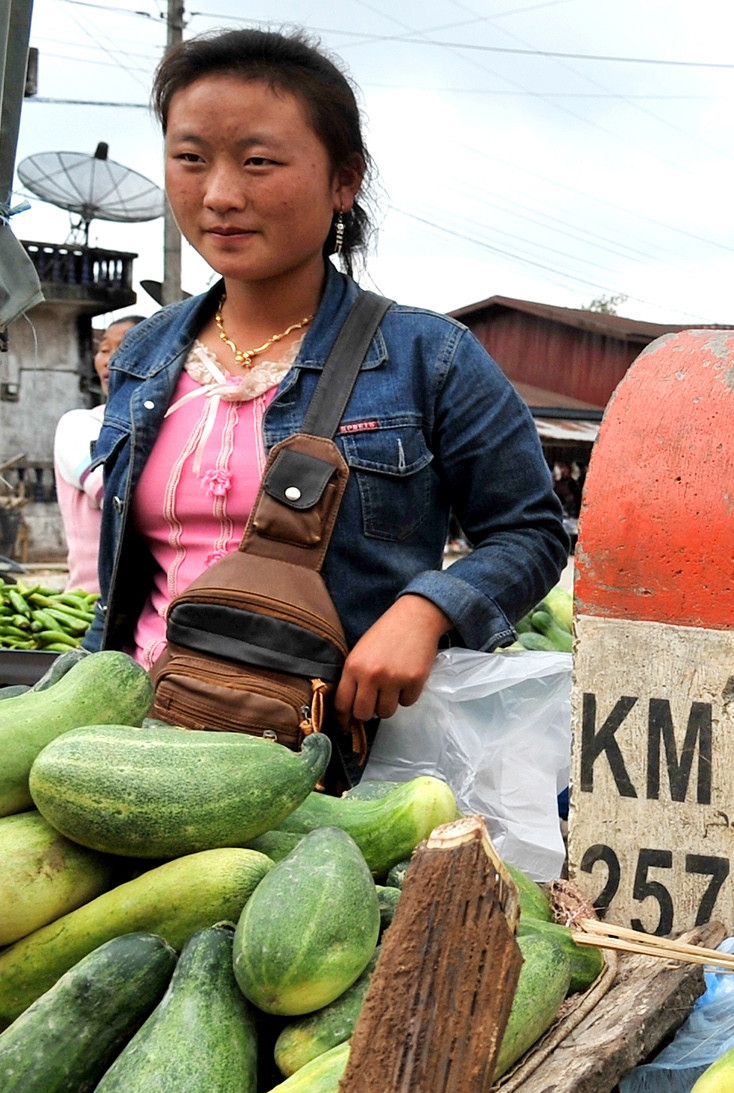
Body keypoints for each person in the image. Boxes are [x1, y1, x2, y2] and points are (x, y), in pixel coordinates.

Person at [84, 28, 567, 733]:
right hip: (140, 729)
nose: (219, 195)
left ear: (345, 180)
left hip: (327, 748)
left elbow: (529, 532)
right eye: (190, 159)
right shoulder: (145, 354)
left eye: (258, 162)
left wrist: (426, 610)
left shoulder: (429, 356)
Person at [53, 314, 141, 593]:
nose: (110, 360)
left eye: (127, 347)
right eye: (104, 349)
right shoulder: (79, 426)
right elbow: (118, 500)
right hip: (91, 607)